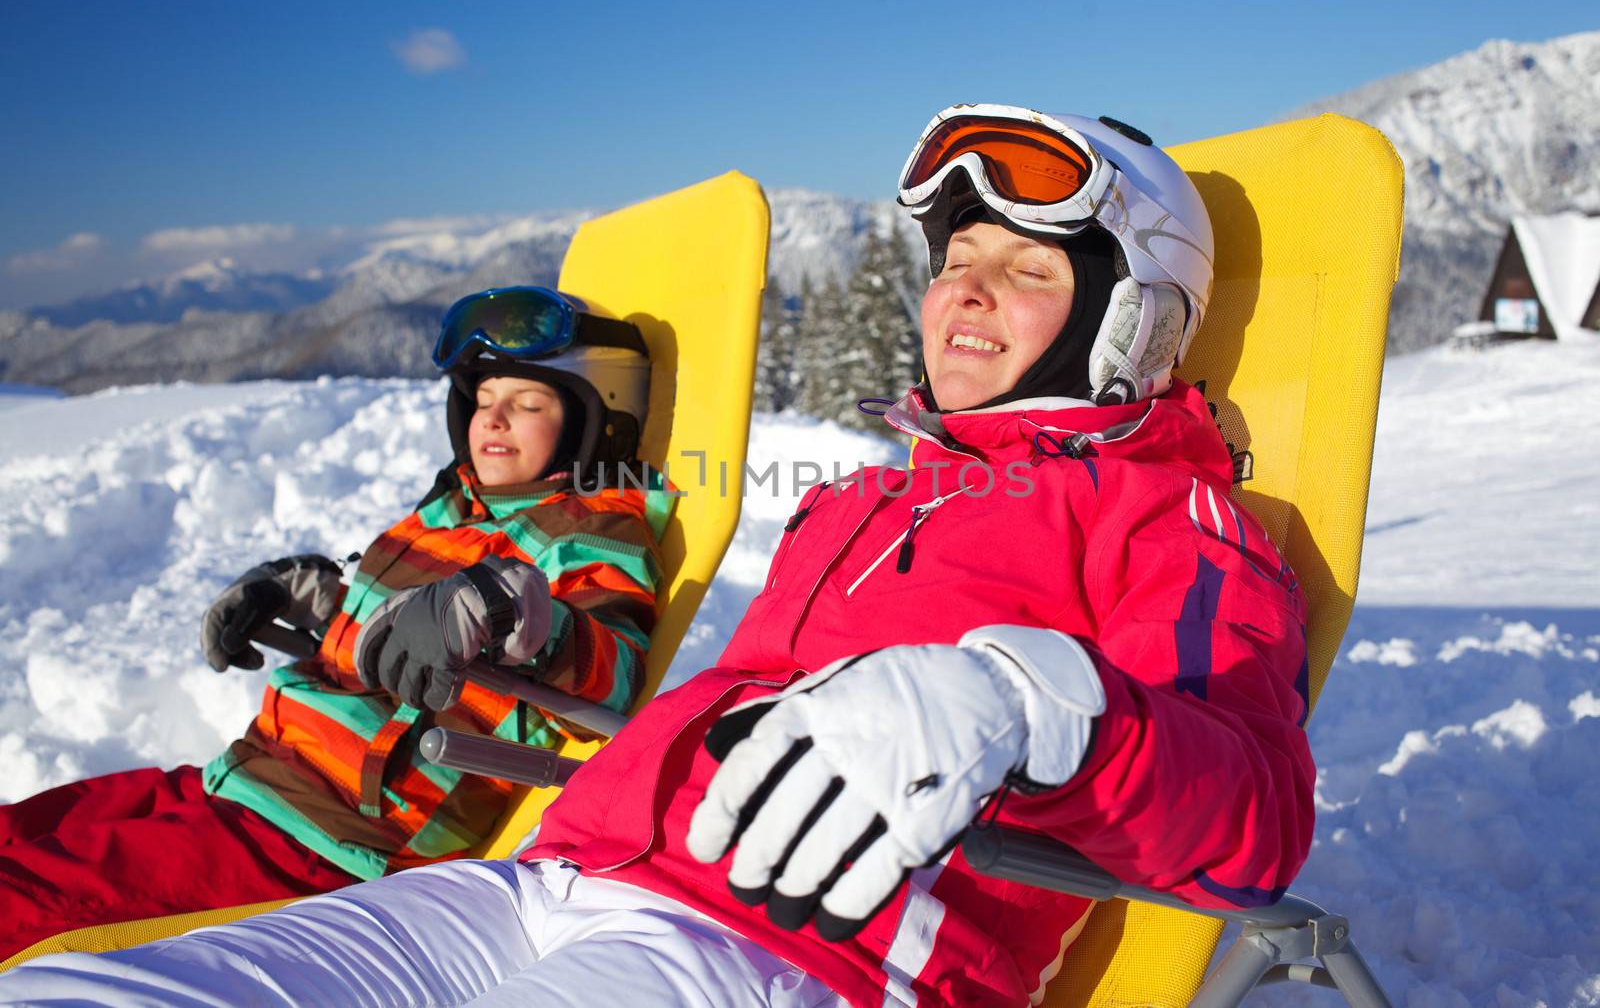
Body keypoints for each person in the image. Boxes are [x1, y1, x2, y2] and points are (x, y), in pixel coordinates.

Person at [0, 107, 1314, 1008]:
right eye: (956, 257)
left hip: (793, 941)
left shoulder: (1175, 524)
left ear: (1131, 316)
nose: (965, 287)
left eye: (1025, 268)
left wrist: (1035, 703)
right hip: (546, 877)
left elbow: (1254, 818)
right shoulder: (861, 499)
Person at [0, 286, 673, 960]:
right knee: (23, 830)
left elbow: (609, 682)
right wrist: (304, 595)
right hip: (252, 776)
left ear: (594, 418)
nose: (494, 418)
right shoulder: (456, 507)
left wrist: (512, 608)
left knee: (25, 896)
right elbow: (386, 620)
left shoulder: (591, 530)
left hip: (325, 837)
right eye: (485, 398)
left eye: (528, 403)